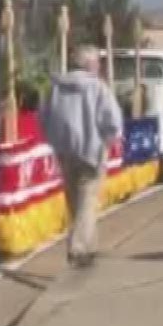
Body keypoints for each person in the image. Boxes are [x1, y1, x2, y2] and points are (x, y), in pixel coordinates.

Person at [41, 45, 124, 268]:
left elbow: (43, 116)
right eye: (97, 61)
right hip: (92, 149)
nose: (99, 65)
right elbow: (113, 121)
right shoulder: (97, 88)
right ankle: (78, 247)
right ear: (89, 64)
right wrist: (108, 140)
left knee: (74, 201)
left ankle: (89, 246)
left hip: (65, 150)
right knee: (88, 200)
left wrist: (55, 141)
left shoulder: (56, 87)